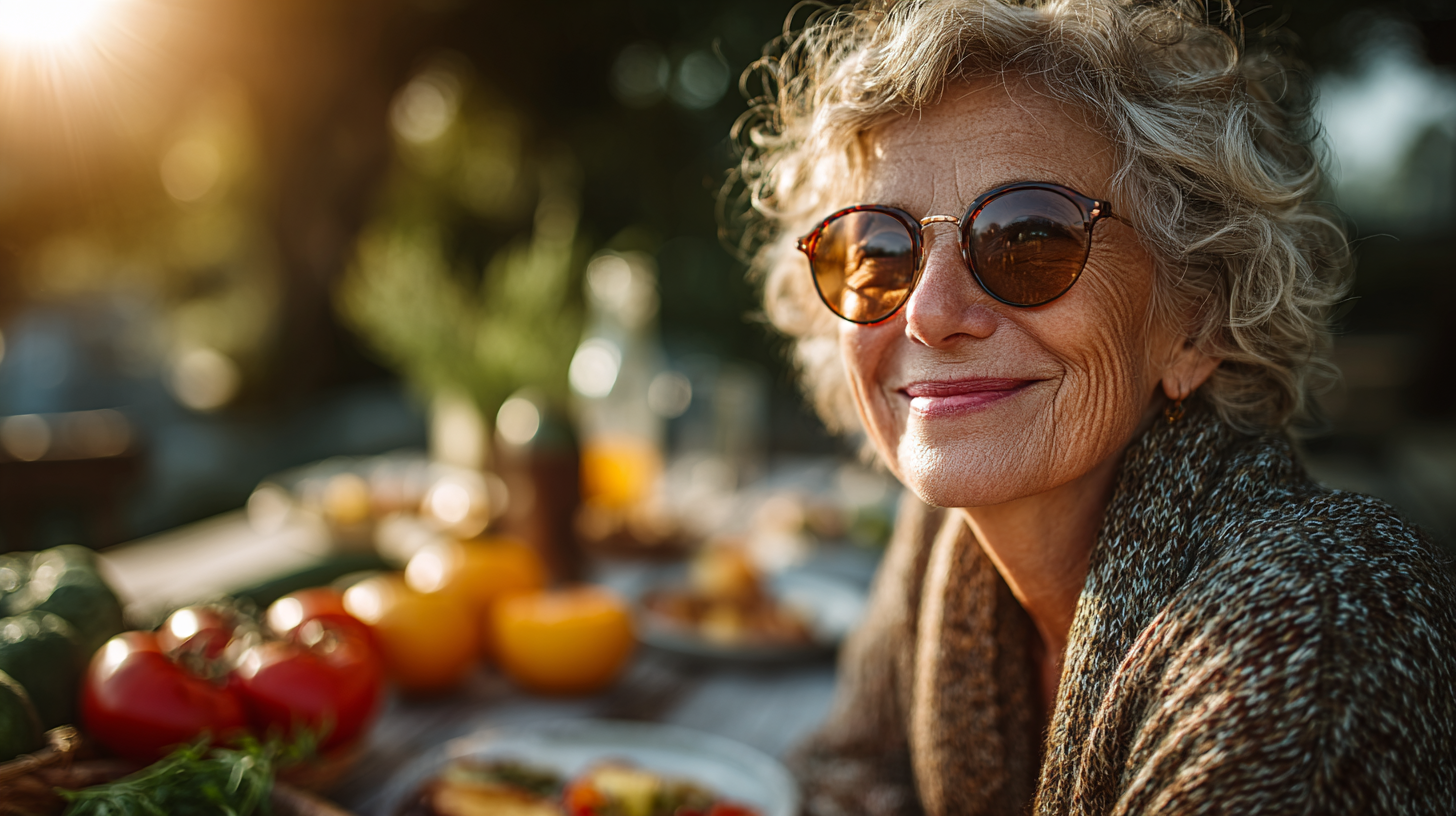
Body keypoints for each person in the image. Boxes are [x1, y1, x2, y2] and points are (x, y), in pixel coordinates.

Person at [730, 1, 1456, 813]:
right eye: (878, 250)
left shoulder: (1311, 633)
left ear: (1199, 319)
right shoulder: (948, 528)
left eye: (1029, 236)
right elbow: (847, 778)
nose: (928, 313)